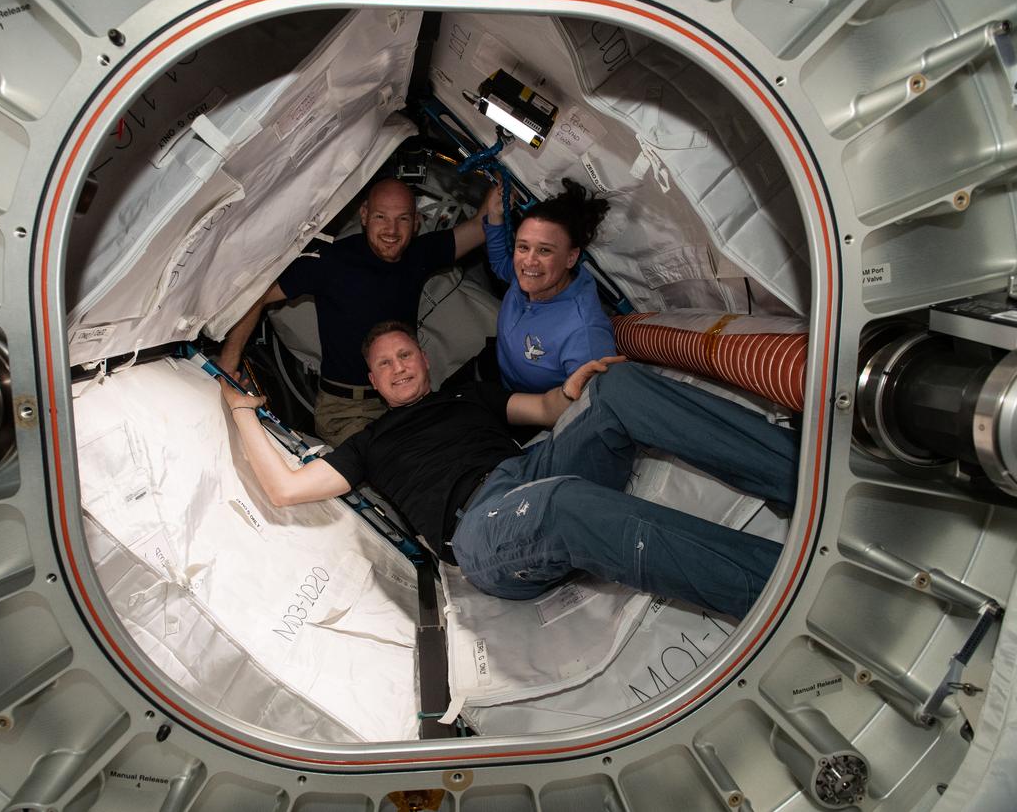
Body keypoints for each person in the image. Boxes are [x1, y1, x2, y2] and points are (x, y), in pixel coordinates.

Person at [221, 321, 798, 620]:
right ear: (372, 382)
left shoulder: (468, 396)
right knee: (564, 503)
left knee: (616, 386)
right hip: (484, 529)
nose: (397, 369)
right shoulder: (369, 443)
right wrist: (241, 410)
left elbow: (547, 411)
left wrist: (572, 388)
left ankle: (804, 478)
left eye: (404, 356)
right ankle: (778, 588)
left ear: (423, 358)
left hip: (531, 469)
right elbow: (285, 487)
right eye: (383, 365)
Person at [218, 178, 500, 445]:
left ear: (415, 223)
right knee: (391, 464)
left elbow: (479, 226)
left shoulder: (419, 254)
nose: (392, 230)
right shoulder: (330, 262)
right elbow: (257, 296)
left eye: (402, 219)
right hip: (347, 410)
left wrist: (501, 187)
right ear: (364, 215)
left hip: (404, 397)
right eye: (381, 217)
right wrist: (229, 364)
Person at [483, 178, 617, 393]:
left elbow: (591, 407)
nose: (529, 261)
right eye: (523, 247)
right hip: (496, 379)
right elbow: (500, 265)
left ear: (571, 258)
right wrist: (494, 215)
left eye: (545, 250)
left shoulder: (584, 332)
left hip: (530, 416)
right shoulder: (528, 277)